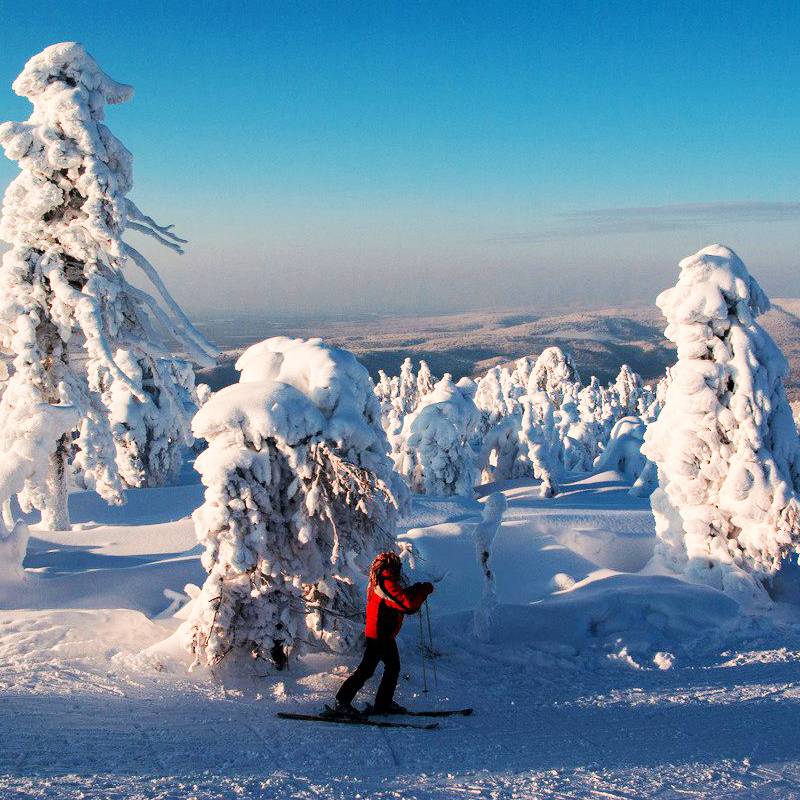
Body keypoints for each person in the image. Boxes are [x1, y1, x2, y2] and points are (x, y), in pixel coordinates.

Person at [333, 551, 434, 716]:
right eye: (398, 566)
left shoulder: (382, 581)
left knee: (385, 668)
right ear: (392, 567)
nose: (399, 570)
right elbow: (407, 606)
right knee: (376, 669)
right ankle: (345, 702)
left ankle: (378, 703)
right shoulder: (386, 583)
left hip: (381, 634)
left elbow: (398, 598)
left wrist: (415, 589)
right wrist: (421, 592)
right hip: (380, 635)